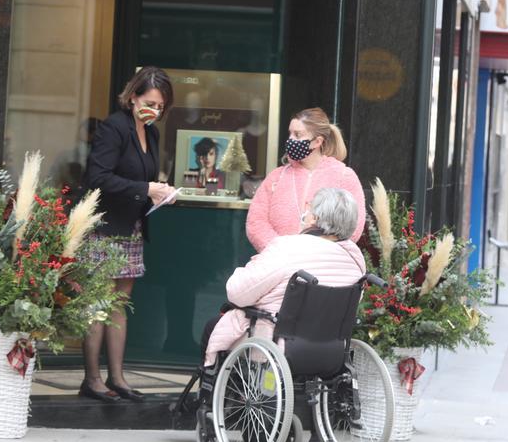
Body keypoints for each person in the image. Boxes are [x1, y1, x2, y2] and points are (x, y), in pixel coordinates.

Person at [199, 188, 366, 412]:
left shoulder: (288, 248)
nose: (304, 215)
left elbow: (237, 293)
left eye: (308, 211)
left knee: (214, 326)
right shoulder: (355, 258)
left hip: (281, 343)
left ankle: (213, 404)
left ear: (315, 218)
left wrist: (242, 271)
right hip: (331, 349)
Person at [81, 66, 176, 402]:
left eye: (161, 106)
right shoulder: (113, 127)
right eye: (149, 102)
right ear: (133, 96)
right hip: (105, 228)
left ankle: (117, 378)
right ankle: (92, 380)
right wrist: (144, 188)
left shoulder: (150, 133)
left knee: (119, 303)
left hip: (132, 227)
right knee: (98, 304)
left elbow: (143, 177)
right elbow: (97, 177)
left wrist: (158, 189)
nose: (154, 110)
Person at [247, 108, 366, 250]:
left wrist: (316, 253)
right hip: (279, 263)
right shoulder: (277, 177)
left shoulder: (344, 176)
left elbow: (354, 225)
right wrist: (280, 250)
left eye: (297, 135)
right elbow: (256, 221)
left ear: (317, 142)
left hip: (322, 264)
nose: (291, 140)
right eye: (290, 133)